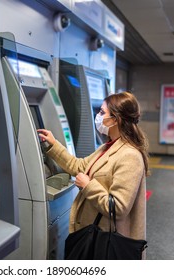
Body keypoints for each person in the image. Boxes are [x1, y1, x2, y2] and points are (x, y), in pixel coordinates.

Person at [38, 91, 149, 259]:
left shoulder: (130, 155)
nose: (98, 116)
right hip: (98, 235)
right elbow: (79, 166)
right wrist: (54, 144)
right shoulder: (108, 147)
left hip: (109, 242)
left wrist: (88, 186)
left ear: (115, 119)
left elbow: (118, 208)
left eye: (102, 112)